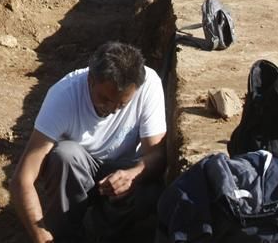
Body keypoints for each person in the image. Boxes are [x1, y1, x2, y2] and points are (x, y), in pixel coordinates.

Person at [11, 42, 167, 243]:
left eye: (121, 104)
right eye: (104, 99)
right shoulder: (64, 96)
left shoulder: (149, 84)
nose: (111, 108)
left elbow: (157, 154)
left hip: (122, 174)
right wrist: (41, 236)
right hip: (76, 177)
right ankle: (66, 234)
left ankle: (101, 230)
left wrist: (132, 175)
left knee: (153, 192)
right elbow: (22, 179)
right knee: (64, 155)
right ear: (91, 80)